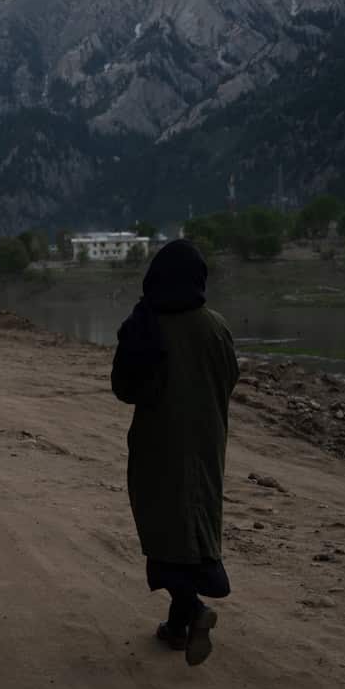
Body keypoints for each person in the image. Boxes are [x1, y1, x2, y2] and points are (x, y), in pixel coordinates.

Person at [110, 239, 239, 666]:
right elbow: (229, 379)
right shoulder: (217, 327)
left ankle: (195, 610)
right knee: (195, 529)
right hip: (206, 446)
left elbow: (123, 389)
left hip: (156, 446)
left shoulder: (145, 326)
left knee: (162, 532)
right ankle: (178, 628)